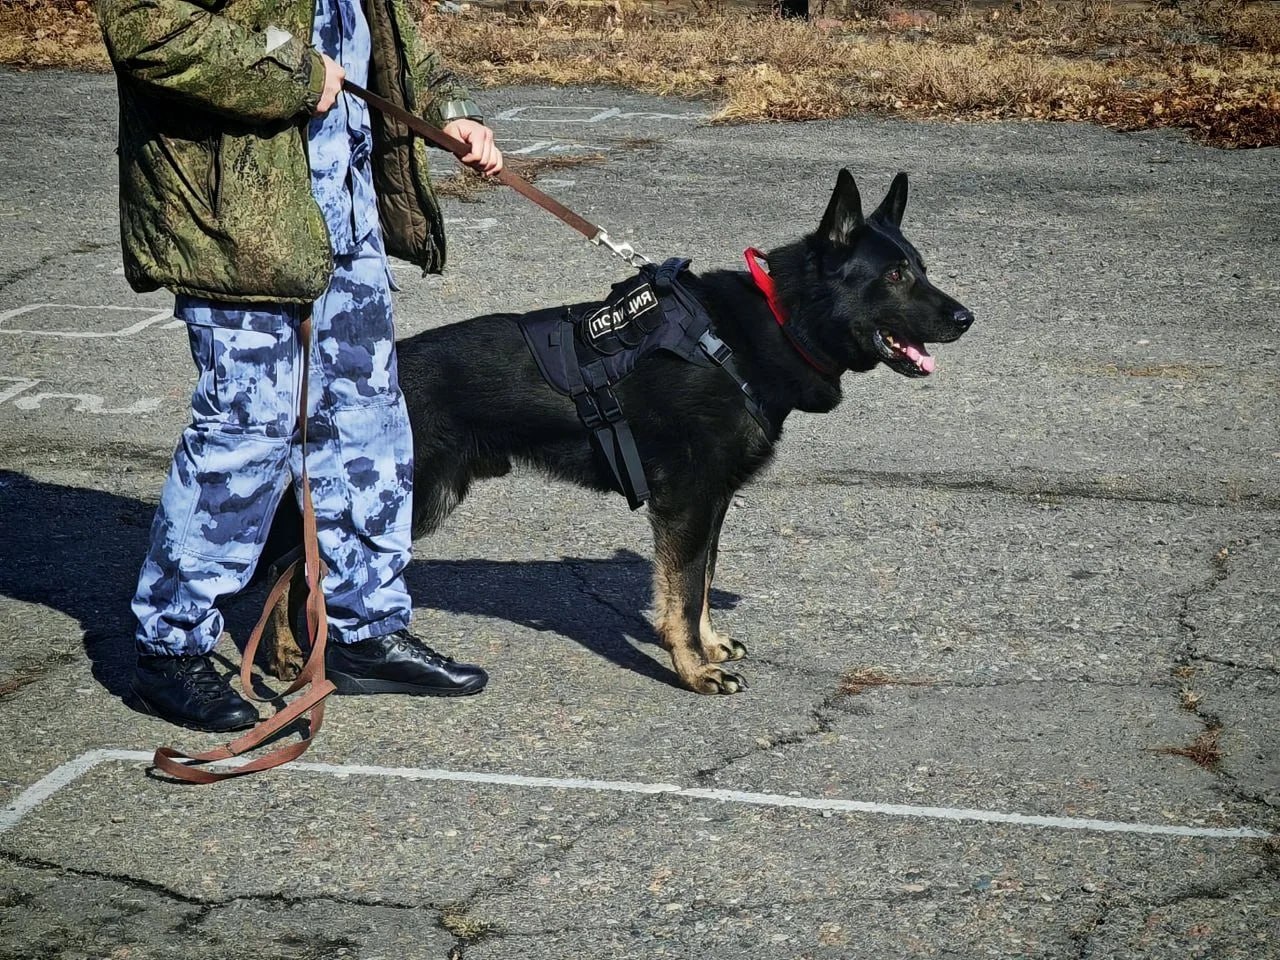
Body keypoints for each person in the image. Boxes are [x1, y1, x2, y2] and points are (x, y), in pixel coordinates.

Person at [97, 0, 503, 732]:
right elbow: (148, 27)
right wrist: (293, 72)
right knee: (244, 437)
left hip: (344, 220)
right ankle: (171, 648)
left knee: (367, 429)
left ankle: (362, 630)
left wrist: (448, 110)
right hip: (236, 224)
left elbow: (382, 33)